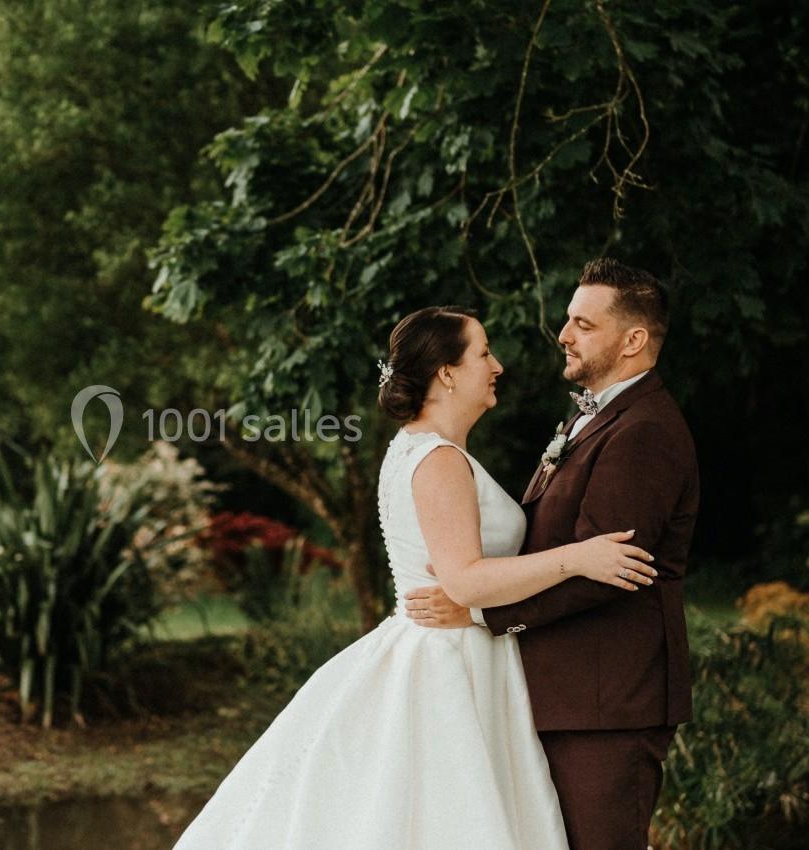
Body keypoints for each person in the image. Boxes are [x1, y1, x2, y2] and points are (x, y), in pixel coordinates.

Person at [173, 303, 658, 850]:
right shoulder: (438, 460)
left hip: (454, 646)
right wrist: (577, 558)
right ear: (447, 373)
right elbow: (465, 582)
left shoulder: (415, 448)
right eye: (483, 353)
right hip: (451, 663)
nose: (496, 366)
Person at [404, 258, 698, 850]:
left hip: (606, 703)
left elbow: (607, 570)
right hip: (564, 694)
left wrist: (480, 611)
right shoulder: (591, 418)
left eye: (584, 325)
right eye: (568, 320)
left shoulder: (644, 431)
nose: (563, 335)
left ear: (633, 340)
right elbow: (559, 547)